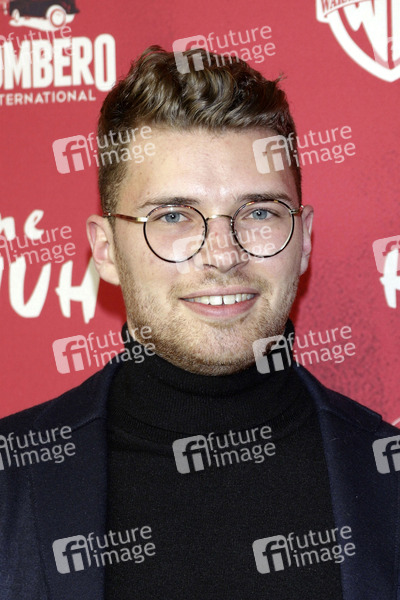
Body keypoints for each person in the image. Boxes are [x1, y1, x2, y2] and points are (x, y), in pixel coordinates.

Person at [0, 45, 399, 600]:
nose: (223, 254)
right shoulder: (12, 476)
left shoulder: (387, 476)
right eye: (172, 216)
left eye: (259, 212)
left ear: (304, 239)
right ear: (106, 249)